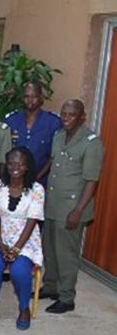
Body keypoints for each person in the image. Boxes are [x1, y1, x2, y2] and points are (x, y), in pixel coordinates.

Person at [41, 100, 104, 314]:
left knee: (66, 254)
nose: (66, 118)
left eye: (72, 115)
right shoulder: (59, 136)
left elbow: (91, 180)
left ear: (82, 117)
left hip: (70, 207)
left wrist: (78, 210)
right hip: (52, 203)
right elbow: (53, 161)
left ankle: (67, 297)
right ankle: (50, 287)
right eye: (64, 113)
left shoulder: (91, 143)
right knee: (49, 249)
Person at [0, 147, 44, 330]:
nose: (15, 167)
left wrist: (16, 249)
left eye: (20, 164)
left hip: (25, 237)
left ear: (27, 166)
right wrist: (1, 245)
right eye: (11, 163)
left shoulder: (37, 189)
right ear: (6, 165)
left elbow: (32, 221)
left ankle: (24, 308)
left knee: (19, 271)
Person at [4, 81, 62, 186]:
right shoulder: (11, 120)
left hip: (41, 181)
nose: (30, 100)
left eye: (34, 96)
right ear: (22, 98)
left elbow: (54, 156)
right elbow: (4, 151)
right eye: (26, 96)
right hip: (13, 180)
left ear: (41, 98)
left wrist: (37, 177)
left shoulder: (53, 122)